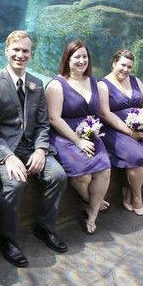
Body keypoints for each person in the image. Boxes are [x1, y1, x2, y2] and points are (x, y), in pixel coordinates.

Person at [0, 31, 68, 268]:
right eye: (16, 50)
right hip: (3, 151)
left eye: (25, 51)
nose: (20, 55)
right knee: (15, 183)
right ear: (6, 51)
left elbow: (42, 124)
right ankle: (7, 239)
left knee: (58, 175)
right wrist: (7, 157)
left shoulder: (37, 84)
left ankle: (44, 228)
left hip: (30, 148)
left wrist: (40, 150)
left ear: (31, 54)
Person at [46, 40, 111, 235]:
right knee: (83, 175)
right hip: (65, 135)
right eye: (77, 57)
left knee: (104, 170)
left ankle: (92, 213)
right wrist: (77, 140)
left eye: (85, 56)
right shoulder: (57, 85)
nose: (82, 61)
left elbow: (99, 112)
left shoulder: (94, 82)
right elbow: (54, 118)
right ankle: (93, 199)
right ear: (67, 59)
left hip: (90, 133)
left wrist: (91, 134)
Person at [97, 49, 143, 215]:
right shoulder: (103, 85)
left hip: (141, 127)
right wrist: (129, 132)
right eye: (122, 65)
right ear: (114, 63)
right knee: (135, 158)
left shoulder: (136, 81)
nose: (125, 70)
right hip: (116, 130)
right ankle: (137, 197)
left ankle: (129, 189)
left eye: (129, 67)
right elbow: (105, 113)